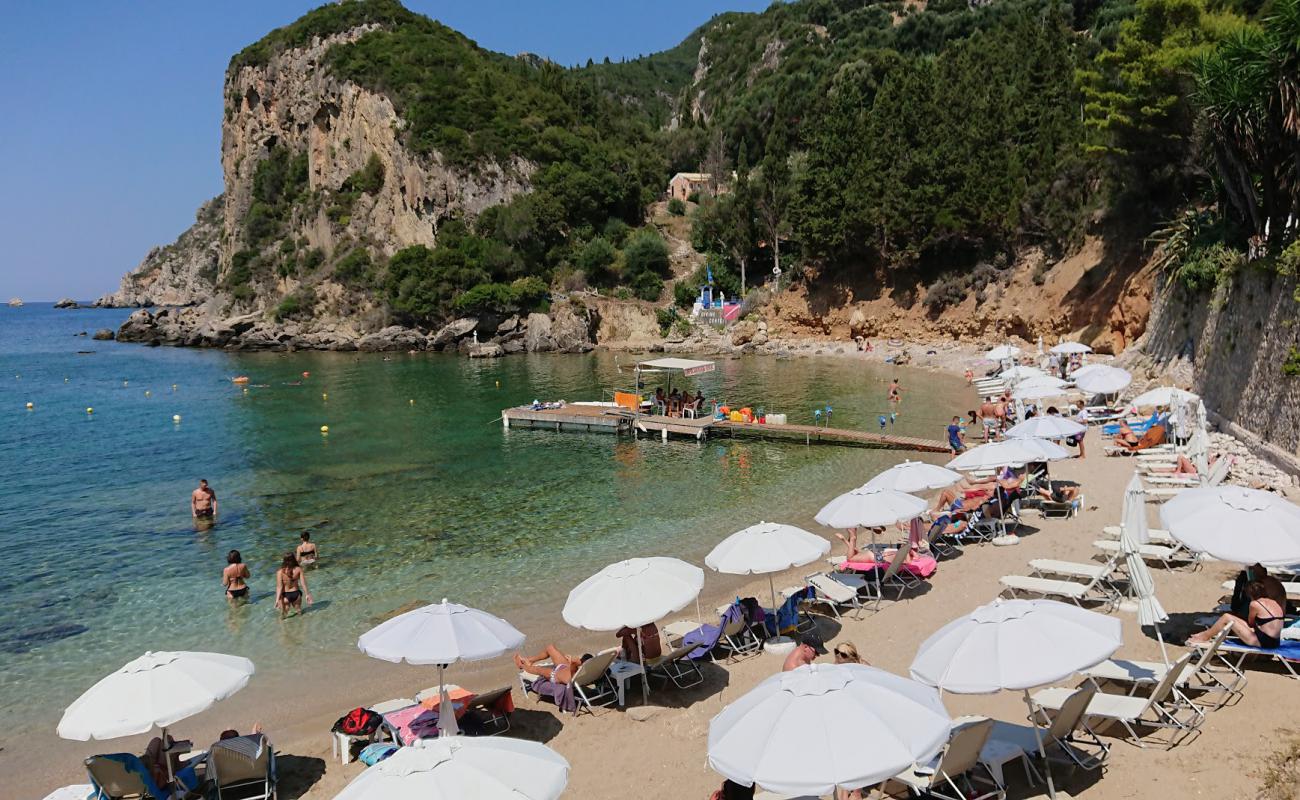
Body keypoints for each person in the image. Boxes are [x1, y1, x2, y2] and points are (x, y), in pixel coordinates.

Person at [1189, 581, 1283, 648]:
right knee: (1230, 618)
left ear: (1250, 594)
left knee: (1226, 617)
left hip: (1262, 642)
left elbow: (1251, 623)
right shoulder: (1274, 603)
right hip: (1274, 642)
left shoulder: (1255, 604)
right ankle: (1205, 634)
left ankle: (1204, 637)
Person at [515, 646, 590, 685]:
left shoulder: (575, 666)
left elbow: (575, 664)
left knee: (538, 669)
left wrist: (571, 661)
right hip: (566, 668)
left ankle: (522, 666)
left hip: (555, 674)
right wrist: (570, 662)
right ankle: (530, 660)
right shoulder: (591, 671)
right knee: (550, 648)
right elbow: (576, 664)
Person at [274, 553, 312, 617]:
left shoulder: (280, 572)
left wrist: (277, 600)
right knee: (299, 612)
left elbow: (279, 587)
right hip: (296, 594)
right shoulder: (298, 569)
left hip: (285, 596)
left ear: (284, 560)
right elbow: (303, 583)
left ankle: (283, 626)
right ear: (294, 559)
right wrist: (307, 594)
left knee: (283, 615)